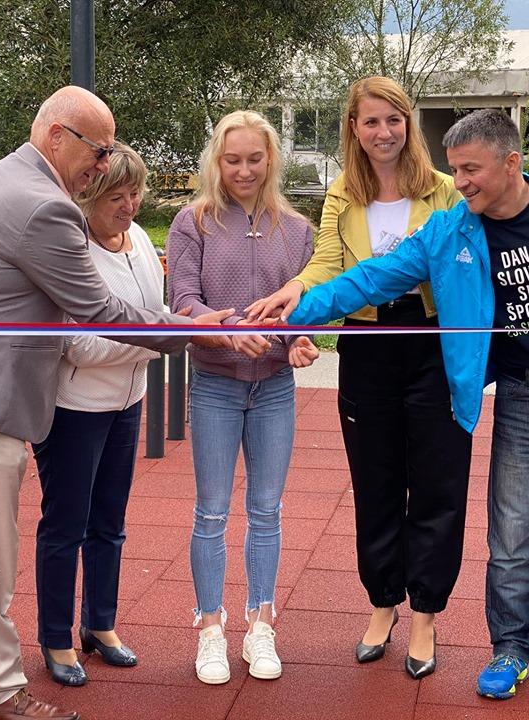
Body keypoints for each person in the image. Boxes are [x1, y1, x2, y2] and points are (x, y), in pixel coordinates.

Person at [285, 108, 529, 699]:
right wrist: (294, 314)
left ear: (512, 163)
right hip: (522, 397)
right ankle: (510, 650)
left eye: (471, 170)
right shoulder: (449, 231)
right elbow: (370, 280)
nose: (460, 183)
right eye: (455, 169)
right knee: (511, 542)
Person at [0, 86, 232, 720]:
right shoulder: (43, 205)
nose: (103, 166)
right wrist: (191, 329)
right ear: (57, 136)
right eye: (98, 151)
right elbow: (99, 310)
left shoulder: (10, 176)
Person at [246, 76, 471, 680]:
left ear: (409, 123)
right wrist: (294, 289)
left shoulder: (445, 191)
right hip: (367, 344)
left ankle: (425, 612)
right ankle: (383, 602)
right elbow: (327, 263)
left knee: (437, 483)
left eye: (394, 120)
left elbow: (458, 265)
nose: (383, 132)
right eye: (371, 121)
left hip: (432, 341)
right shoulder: (344, 192)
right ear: (354, 128)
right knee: (375, 482)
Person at [167, 110, 320, 685]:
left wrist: (301, 341)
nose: (244, 170)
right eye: (233, 160)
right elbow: (183, 301)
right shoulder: (193, 222)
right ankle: (210, 627)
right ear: (217, 160)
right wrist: (231, 328)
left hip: (275, 387)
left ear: (271, 159)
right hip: (215, 384)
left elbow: (304, 308)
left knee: (267, 510)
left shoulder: (297, 230)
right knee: (211, 510)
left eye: (255, 159)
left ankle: (261, 623)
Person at [31, 144, 166, 687]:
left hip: (127, 402)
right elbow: (79, 346)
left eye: (135, 193)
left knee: (110, 521)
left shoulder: (140, 240)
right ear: (89, 198)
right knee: (66, 525)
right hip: (75, 408)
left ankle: (100, 624)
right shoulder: (73, 249)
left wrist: (160, 331)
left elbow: (156, 313)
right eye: (116, 197)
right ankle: (56, 638)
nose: (129, 206)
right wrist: (158, 339)